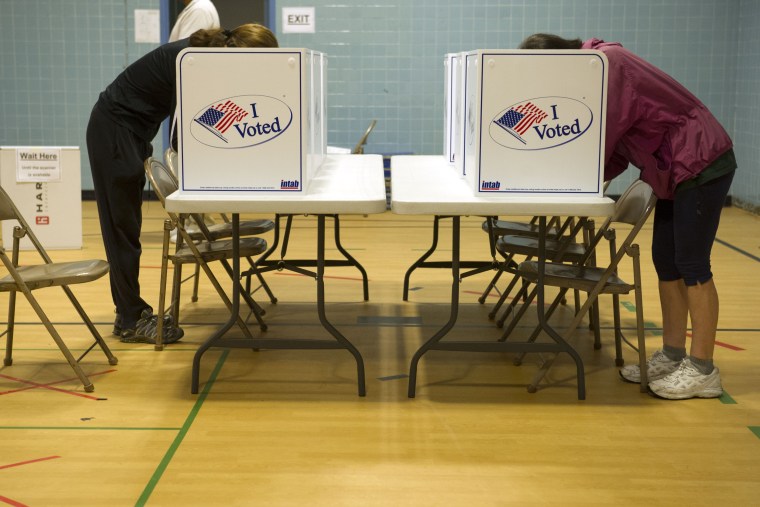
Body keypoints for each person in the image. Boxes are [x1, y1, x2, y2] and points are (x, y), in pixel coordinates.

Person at [518, 34, 736, 400]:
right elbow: (617, 151)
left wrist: (564, 174)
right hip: (671, 170)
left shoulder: (609, 64)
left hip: (699, 159)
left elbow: (601, 132)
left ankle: (703, 369)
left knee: (693, 264)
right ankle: (672, 354)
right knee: (666, 262)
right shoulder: (596, 71)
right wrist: (575, 178)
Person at [87, 24, 279, 344]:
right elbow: (184, 135)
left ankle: (129, 313)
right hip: (113, 130)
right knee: (122, 228)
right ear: (238, 54)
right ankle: (130, 317)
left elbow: (212, 123)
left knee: (126, 226)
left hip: (131, 131)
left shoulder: (204, 59)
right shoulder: (194, 63)